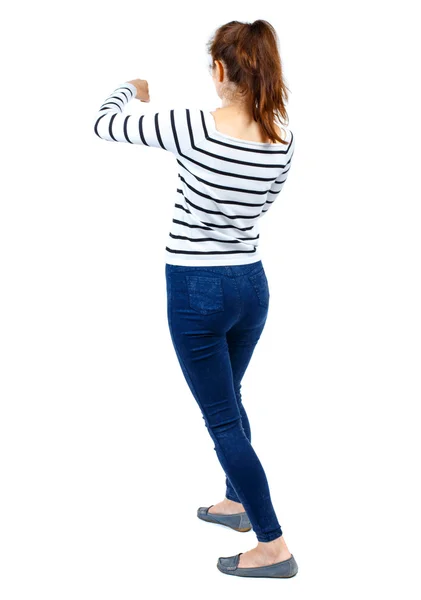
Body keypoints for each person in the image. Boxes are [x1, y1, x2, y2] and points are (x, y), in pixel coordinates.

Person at [93, 19, 298, 579]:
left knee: (222, 421)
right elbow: (263, 203)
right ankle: (235, 504)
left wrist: (130, 90)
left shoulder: (192, 126)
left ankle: (273, 545)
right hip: (251, 286)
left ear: (219, 70)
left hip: (196, 289)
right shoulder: (282, 138)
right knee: (230, 399)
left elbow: (103, 124)